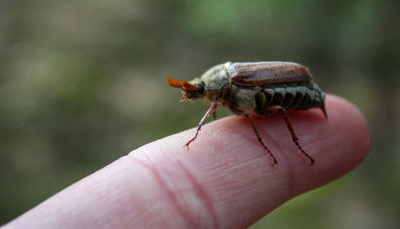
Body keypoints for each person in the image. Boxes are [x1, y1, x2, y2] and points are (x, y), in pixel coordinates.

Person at [3, 95, 370, 228]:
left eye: (198, 93)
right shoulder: (221, 94)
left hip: (294, 90)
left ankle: (292, 144)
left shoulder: (234, 87)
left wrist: (197, 134)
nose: (198, 99)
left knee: (258, 117)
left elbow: (245, 115)